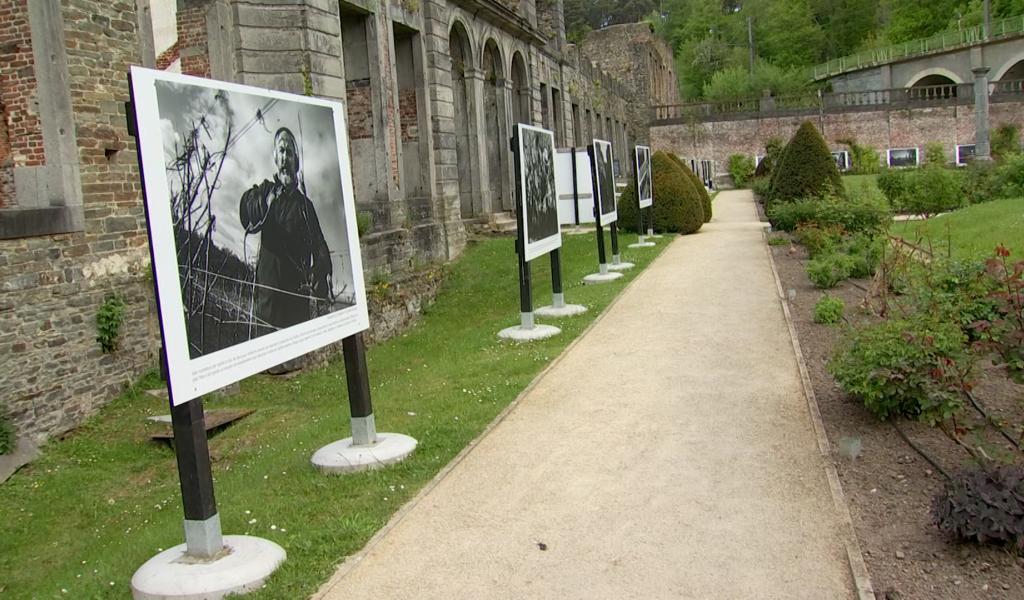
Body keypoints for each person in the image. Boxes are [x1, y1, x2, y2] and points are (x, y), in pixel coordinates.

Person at [240, 127, 332, 333]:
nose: (285, 158)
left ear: (296, 162)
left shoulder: (305, 206)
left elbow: (320, 247)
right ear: (275, 157)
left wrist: (318, 273)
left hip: (296, 309)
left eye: (289, 153)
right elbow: (247, 210)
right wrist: (264, 202)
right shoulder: (265, 190)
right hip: (267, 305)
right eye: (281, 151)